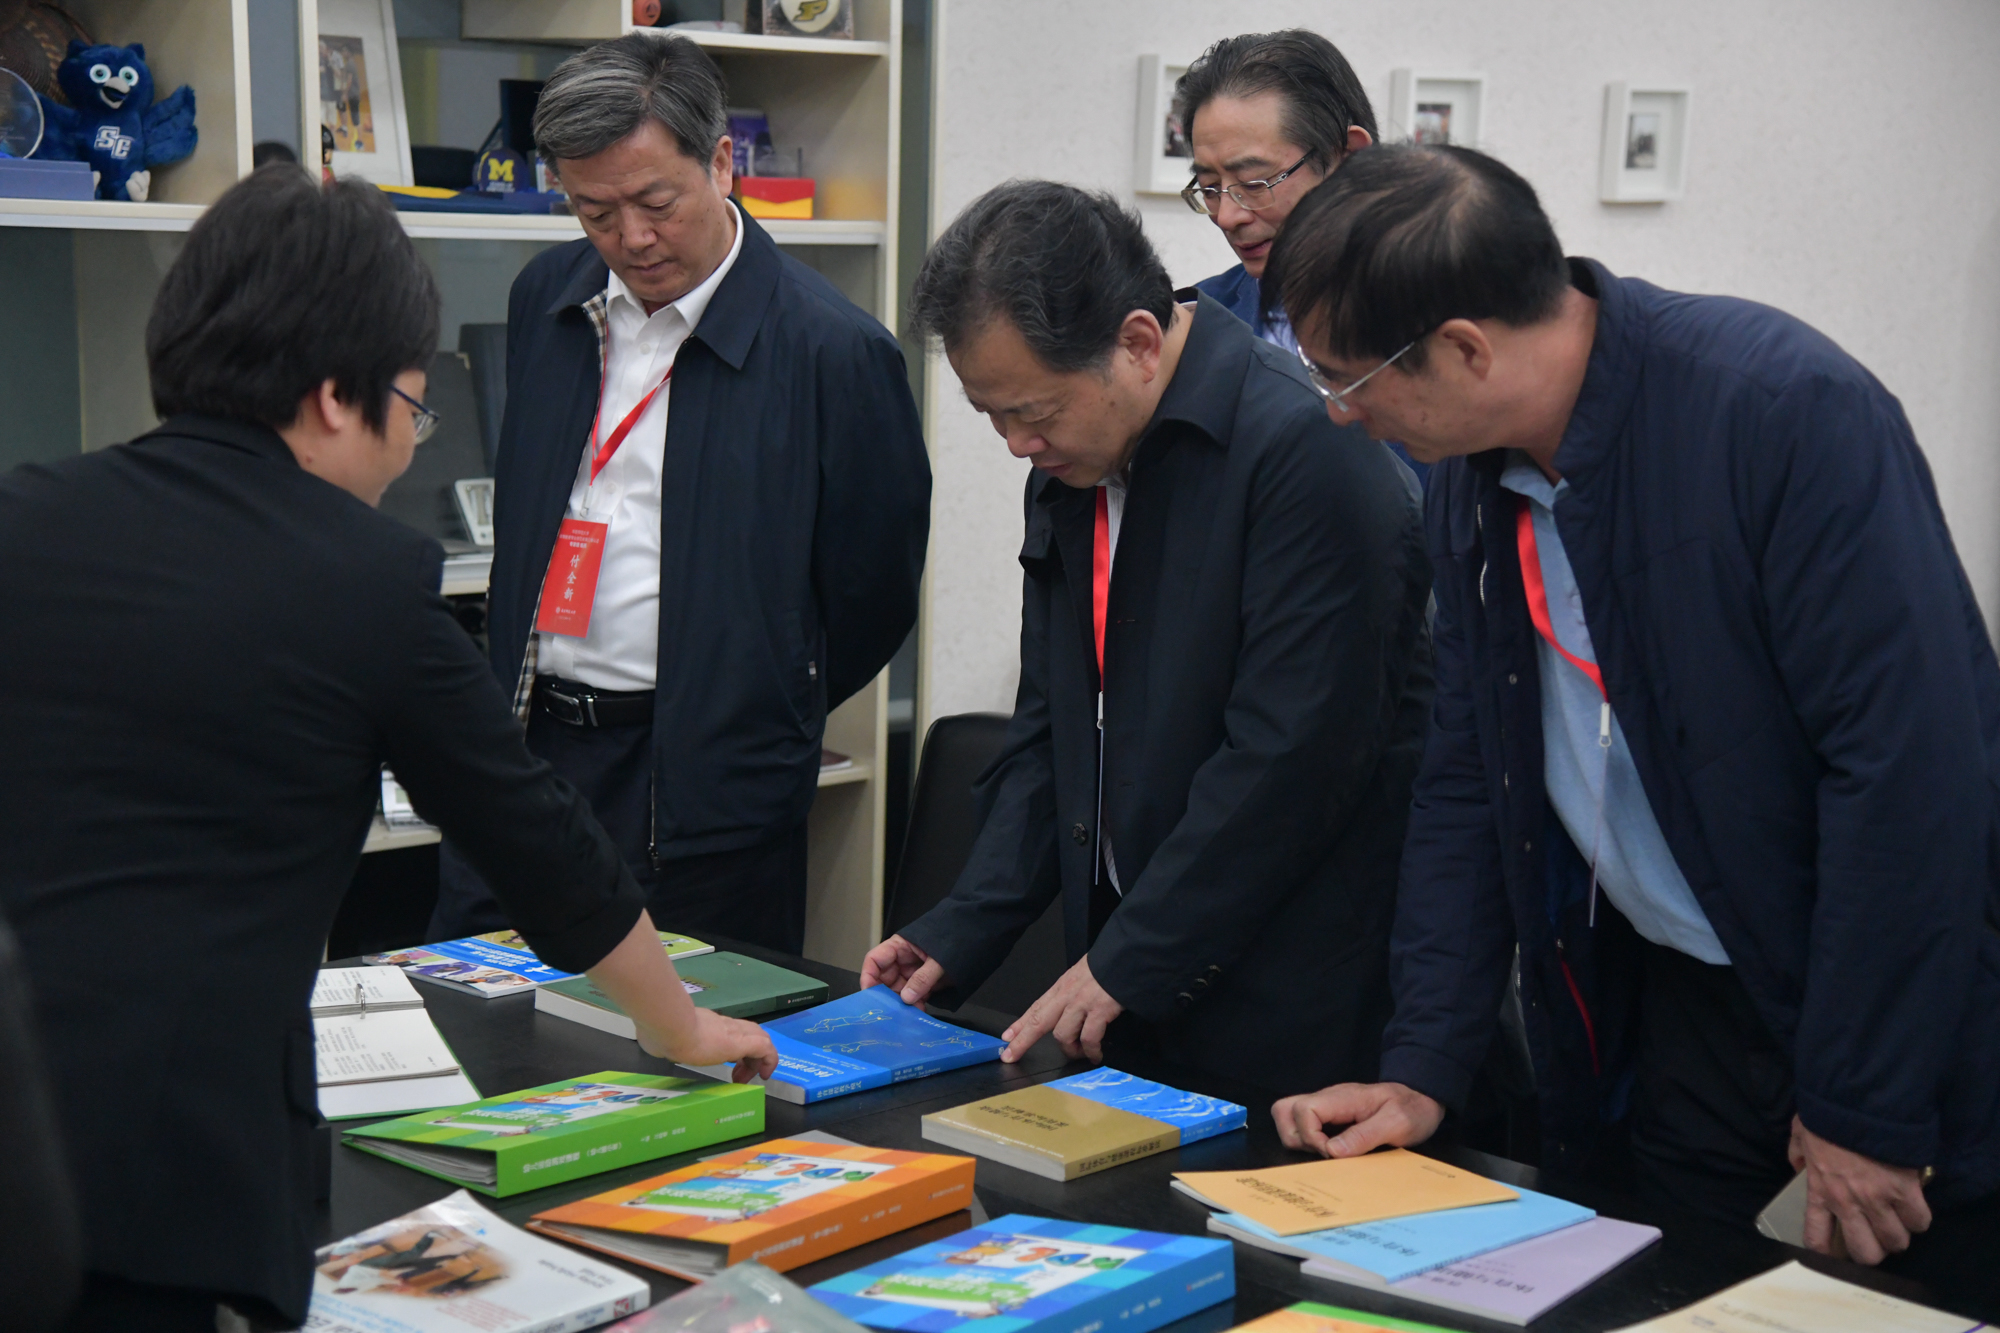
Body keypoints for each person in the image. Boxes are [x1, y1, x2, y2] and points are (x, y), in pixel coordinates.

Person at [0, 166, 776, 1333]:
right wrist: (676, 1023)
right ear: (333, 397)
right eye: (413, 409)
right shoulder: (361, 580)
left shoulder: (23, 515)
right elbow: (531, 832)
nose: (410, 446)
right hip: (161, 1166)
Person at [1263, 143, 2000, 1301]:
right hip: (1672, 1006)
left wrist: (1862, 1103)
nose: (1341, 414)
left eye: (1349, 379)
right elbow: (1467, 775)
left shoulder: (1781, 413)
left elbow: (1909, 778)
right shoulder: (1469, 472)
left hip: (1877, 1005)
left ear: (1463, 348)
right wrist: (1424, 1062)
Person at [861, 182, 1432, 1095]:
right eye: (992, 415)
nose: (1016, 444)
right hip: (1132, 977)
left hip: (1296, 998)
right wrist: (962, 924)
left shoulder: (1312, 454)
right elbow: (1054, 726)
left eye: (1034, 411)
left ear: (1136, 343)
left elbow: (1289, 762)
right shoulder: (1073, 463)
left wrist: (1133, 955)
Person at [429, 33, 931, 953]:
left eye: (656, 203)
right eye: (595, 211)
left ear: (722, 163)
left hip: (704, 788)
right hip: (531, 747)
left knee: (681, 1033)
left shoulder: (833, 352)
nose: (632, 238)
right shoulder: (549, 297)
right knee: (483, 1007)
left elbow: (873, 597)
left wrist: (752, 698)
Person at [1174, 30, 1426, 486]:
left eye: (1255, 184)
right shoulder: (1197, 327)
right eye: (1209, 188)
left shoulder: (1447, 314)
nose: (1228, 216)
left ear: (1349, 158)